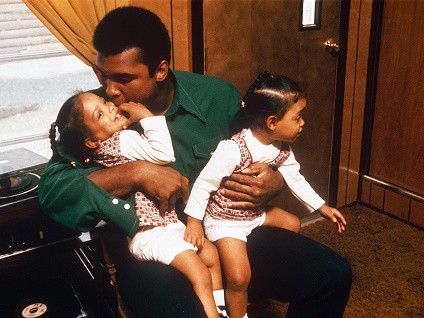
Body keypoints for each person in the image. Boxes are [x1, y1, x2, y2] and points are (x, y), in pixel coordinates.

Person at [38, 6, 352, 317]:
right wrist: (136, 172)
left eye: (123, 78)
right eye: (102, 75)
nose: (110, 90)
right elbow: (53, 193)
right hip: (151, 251)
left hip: (225, 231)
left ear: (160, 70)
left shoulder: (218, 97)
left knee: (332, 275)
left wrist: (274, 180)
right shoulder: (90, 115)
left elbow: (266, 142)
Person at [184, 72, 348, 318]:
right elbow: (204, 184)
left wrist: (322, 207)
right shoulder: (233, 149)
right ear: (272, 122)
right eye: (298, 117)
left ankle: (259, 280)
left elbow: (296, 180)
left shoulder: (281, 149)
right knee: (239, 277)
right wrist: (194, 222)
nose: (303, 123)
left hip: (254, 213)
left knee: (292, 224)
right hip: (226, 220)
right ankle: (238, 309)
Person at [49, 91, 223, 317]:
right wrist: (146, 116)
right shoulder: (122, 141)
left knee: (209, 254)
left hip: (163, 227)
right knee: (200, 272)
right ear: (92, 140)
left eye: (104, 102)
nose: (110, 107)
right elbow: (163, 154)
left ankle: (219, 308)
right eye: (100, 113)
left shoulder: (99, 150)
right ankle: (214, 313)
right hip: (152, 232)